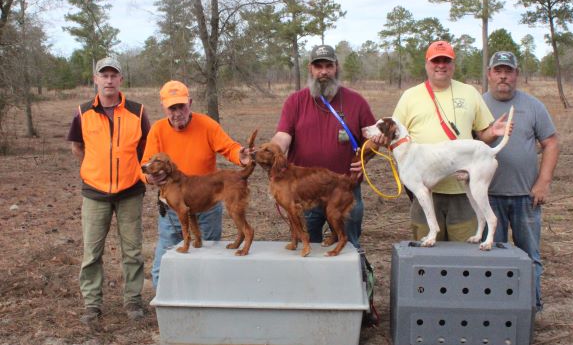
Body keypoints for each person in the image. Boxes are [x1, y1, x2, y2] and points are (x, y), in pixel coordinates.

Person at [270, 44, 379, 326]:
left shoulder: (355, 102)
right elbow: (283, 136)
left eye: (328, 66)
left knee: (350, 245)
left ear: (336, 68)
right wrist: (271, 150)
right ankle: (310, 305)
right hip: (305, 193)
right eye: (318, 66)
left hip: (343, 190)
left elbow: (371, 136)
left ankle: (357, 307)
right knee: (309, 246)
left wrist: (366, 156)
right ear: (310, 69)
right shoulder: (295, 102)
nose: (323, 72)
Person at [392, 40, 510, 243]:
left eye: (446, 60)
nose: (441, 65)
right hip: (426, 192)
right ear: (427, 64)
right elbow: (395, 137)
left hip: (462, 193)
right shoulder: (409, 97)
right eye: (436, 60)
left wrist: (494, 131)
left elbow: (483, 135)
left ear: (453, 64)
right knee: (426, 260)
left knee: (464, 258)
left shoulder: (469, 92)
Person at [141, 80, 252, 289]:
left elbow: (228, 147)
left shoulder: (206, 124)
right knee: (162, 267)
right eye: (171, 108)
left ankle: (205, 304)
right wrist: (149, 178)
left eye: (181, 106)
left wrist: (241, 155)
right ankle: (170, 308)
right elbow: (145, 164)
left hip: (208, 203)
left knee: (208, 263)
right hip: (172, 209)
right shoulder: (157, 130)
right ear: (163, 107)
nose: (177, 113)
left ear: (189, 103)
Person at [67, 57, 150, 323]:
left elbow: (146, 150)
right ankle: (92, 304)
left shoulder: (137, 112)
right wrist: (92, 170)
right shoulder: (83, 112)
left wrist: (138, 174)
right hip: (95, 193)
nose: (109, 80)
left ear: (121, 80)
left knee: (133, 251)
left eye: (114, 75)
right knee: (92, 252)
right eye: (104, 75)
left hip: (130, 192)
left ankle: (134, 302)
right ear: (96, 79)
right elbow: (77, 147)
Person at [484, 51, 559, 312]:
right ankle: (497, 311)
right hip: (488, 198)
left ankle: (530, 308)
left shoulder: (533, 106)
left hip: (526, 197)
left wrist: (543, 182)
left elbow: (550, 143)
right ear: (489, 74)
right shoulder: (479, 106)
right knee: (494, 257)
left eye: (509, 71)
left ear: (516, 74)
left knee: (529, 258)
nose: (503, 76)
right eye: (498, 70)